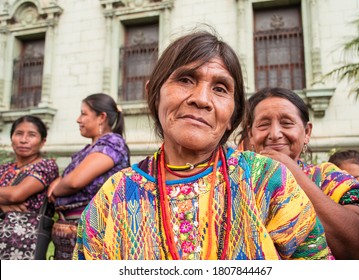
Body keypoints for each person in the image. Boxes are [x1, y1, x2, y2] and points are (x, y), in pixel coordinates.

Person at [74, 31, 330, 260]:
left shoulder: (267, 181)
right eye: (185, 80)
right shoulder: (114, 196)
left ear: (233, 115)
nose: (201, 99)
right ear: (154, 94)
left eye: (220, 89)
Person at [239, 87, 359, 259]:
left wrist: (291, 173)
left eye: (287, 123)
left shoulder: (329, 178)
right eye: (264, 124)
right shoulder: (234, 182)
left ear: (307, 132)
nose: (274, 134)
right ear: (251, 134)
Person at [48, 93, 130, 260]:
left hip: (92, 229)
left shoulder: (112, 143)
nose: (78, 119)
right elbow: (68, 178)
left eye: (84, 113)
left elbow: (73, 182)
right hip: (68, 231)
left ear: (101, 117)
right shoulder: (89, 149)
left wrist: (55, 189)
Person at [0, 115, 59, 259]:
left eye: (31, 135)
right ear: (12, 137)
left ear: (42, 141)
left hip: (25, 242)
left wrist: (5, 200)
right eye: (19, 133)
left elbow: (17, 194)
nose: (23, 140)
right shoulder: (3, 169)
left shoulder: (46, 166)